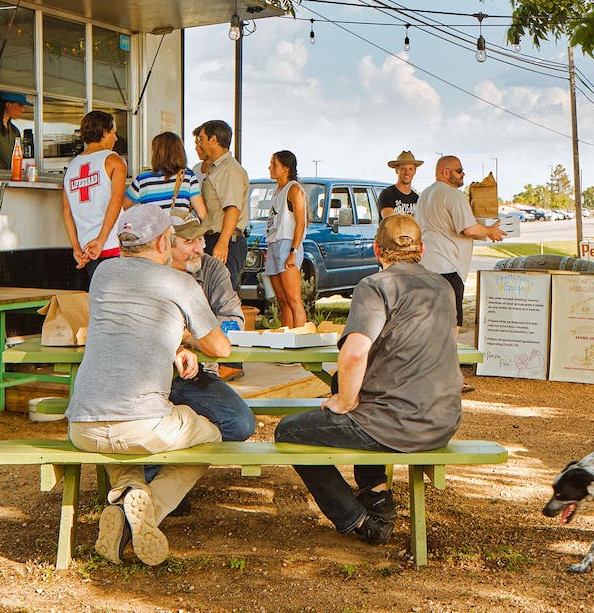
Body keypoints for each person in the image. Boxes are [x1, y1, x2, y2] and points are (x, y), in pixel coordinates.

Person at [274, 214, 463, 546]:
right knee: (346, 386)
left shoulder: (376, 286)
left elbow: (355, 352)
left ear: (377, 249)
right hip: (444, 419)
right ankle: (376, 495)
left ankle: (358, 519)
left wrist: (345, 402)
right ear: (421, 249)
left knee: (288, 432)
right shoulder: (444, 287)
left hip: (401, 424)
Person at [64, 204, 230, 566]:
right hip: (144, 424)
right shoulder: (179, 283)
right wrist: (186, 338)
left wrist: (173, 344)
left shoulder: (102, 274)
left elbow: (128, 329)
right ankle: (147, 511)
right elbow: (221, 348)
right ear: (161, 243)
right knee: (213, 437)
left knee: (120, 447)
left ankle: (127, 497)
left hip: (83, 425)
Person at [166, 214, 257, 443]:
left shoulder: (211, 267)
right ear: (166, 245)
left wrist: (188, 337)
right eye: (189, 241)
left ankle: (186, 433)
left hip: (199, 374)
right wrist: (192, 338)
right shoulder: (152, 272)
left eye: (200, 239)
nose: (199, 248)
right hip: (153, 376)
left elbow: (233, 322)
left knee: (241, 424)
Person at [415, 155, 505, 328]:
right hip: (447, 268)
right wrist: (490, 231)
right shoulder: (453, 195)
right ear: (445, 172)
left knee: (428, 324)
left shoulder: (425, 194)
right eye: (459, 170)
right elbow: (469, 229)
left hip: (424, 267)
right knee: (452, 325)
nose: (463, 174)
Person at [194, 120, 250, 380]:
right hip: (212, 238)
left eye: (202, 139)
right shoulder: (210, 169)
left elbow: (232, 209)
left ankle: (233, 363)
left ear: (214, 140)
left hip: (226, 240)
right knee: (210, 300)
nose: (199, 144)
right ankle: (216, 361)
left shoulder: (229, 169)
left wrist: (223, 243)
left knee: (225, 303)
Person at [61, 111, 127, 280]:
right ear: (104, 132)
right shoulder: (114, 160)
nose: (116, 138)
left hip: (87, 250)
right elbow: (116, 200)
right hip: (113, 244)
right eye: (113, 133)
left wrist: (76, 247)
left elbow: (67, 212)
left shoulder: (72, 166)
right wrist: (101, 240)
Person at [266, 150, 308, 328]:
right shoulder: (277, 190)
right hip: (274, 243)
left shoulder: (294, 189)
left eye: (274, 165)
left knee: (293, 299)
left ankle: (300, 337)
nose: (270, 168)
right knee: (282, 300)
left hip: (287, 243)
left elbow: (301, 223)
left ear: (286, 168)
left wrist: (294, 251)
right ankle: (287, 338)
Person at [124, 131, 208, 221]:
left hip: (151, 229)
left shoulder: (142, 179)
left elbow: (123, 207)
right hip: (179, 229)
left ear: (156, 154)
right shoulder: (188, 177)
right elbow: (201, 213)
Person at [0, 91, 29, 168]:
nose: (23, 110)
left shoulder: (15, 131)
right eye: (20, 105)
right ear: (8, 104)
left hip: (10, 173)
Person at [378, 150, 422, 217]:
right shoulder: (387, 194)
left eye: (410, 169)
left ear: (415, 171)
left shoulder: (417, 199)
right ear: (396, 170)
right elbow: (390, 221)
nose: (407, 172)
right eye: (403, 169)